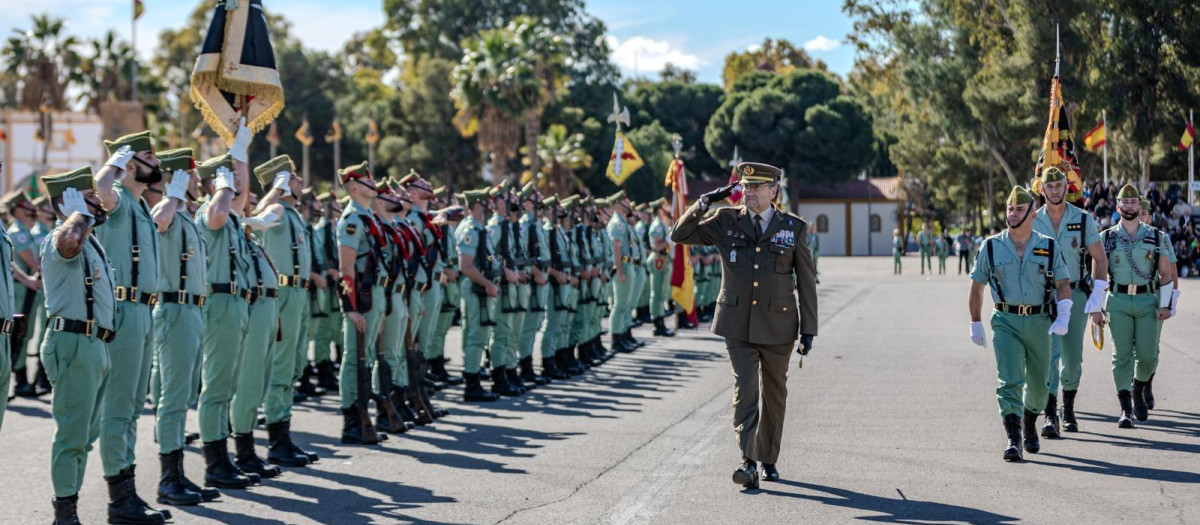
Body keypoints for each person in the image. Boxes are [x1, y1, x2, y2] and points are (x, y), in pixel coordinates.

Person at [671, 162, 817, 490]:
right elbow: (678, 234)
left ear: (773, 191)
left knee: (775, 394)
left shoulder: (792, 227)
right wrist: (705, 201)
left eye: (756, 187)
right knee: (745, 390)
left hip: (779, 323)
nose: (749, 193)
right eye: (746, 187)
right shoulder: (725, 220)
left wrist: (809, 330)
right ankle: (748, 461)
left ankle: (768, 458)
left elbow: (806, 281)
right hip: (737, 324)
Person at [93, 132, 174, 524]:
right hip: (123, 311)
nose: (156, 161)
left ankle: (128, 491)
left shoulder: (141, 205)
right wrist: (116, 160)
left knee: (130, 410)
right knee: (118, 409)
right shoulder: (120, 198)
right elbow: (100, 189)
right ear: (128, 163)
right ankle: (118, 499)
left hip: (144, 311)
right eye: (147, 155)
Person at [39, 167, 123, 524]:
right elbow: (69, 240)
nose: (97, 201)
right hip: (72, 341)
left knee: (86, 435)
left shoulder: (91, 239)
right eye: (88, 196)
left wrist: (82, 215)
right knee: (72, 434)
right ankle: (65, 514)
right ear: (69, 204)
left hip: (95, 344)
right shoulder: (64, 236)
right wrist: (76, 215)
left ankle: (69, 504)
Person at [968, 185, 1072, 462]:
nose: (1012, 214)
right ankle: (1014, 438)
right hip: (1006, 321)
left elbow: (1063, 282)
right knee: (1009, 380)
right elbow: (977, 286)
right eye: (1009, 209)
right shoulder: (990, 246)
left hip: (1040, 321)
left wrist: (1064, 312)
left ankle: (1029, 420)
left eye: (1018, 209)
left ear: (1032, 214)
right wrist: (975, 322)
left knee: (1039, 388)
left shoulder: (1048, 246)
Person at [1030, 166, 1109, 437]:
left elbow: (1100, 257)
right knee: (1049, 357)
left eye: (1059, 185)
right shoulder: (1031, 219)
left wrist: (1098, 295)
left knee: (1072, 357)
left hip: (1075, 294)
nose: (1054, 190)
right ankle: (1050, 414)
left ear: (1068, 187)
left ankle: (1069, 406)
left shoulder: (1084, 219)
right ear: (1041, 189)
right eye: (1049, 186)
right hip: (1042, 296)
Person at [253, 155, 322, 466]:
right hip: (283, 294)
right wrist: (277, 190)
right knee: (281, 367)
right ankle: (277, 440)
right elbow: (258, 214)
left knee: (293, 366)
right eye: (291, 177)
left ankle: (284, 433)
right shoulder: (277, 209)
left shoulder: (294, 213)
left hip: (299, 293)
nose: (298, 181)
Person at [1101, 185, 1176, 428]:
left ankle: (1138, 388)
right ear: (1117, 206)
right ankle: (1125, 409)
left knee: (1147, 357)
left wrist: (1166, 305)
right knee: (1121, 356)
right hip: (1118, 300)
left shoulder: (1155, 236)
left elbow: (1165, 273)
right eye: (1126, 202)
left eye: (1134, 202)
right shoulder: (1106, 238)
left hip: (1147, 300)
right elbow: (1098, 275)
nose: (1131, 206)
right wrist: (1094, 307)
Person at [455, 189, 502, 401]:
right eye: (484, 204)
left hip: (480, 286)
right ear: (477, 206)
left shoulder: (478, 228)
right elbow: (466, 266)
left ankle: (474, 382)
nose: (488, 208)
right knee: (476, 336)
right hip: (475, 287)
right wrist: (487, 284)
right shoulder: (471, 229)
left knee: (480, 335)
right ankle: (471, 386)